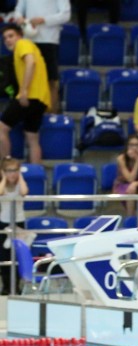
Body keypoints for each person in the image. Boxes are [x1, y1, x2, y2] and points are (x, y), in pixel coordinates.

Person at [0, 24, 50, 164]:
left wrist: (24, 90)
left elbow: (30, 62)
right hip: (41, 100)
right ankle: (37, 174)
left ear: (20, 35)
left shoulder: (23, 43)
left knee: (1, 129)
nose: (8, 40)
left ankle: (7, 168)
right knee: (32, 137)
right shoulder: (27, 47)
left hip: (30, 96)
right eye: (5, 38)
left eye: (11, 36)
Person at [12, 0, 71, 114]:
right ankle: (27, 113)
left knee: (51, 80)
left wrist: (44, 20)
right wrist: (20, 19)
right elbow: (18, 11)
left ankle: (52, 115)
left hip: (49, 39)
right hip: (29, 39)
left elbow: (65, 15)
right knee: (27, 78)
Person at [0, 157, 28, 295]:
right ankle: (6, 286)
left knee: (17, 256)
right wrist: (3, 178)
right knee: (4, 256)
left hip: (19, 222)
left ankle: (16, 286)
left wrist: (20, 176)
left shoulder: (19, 184)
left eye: (15, 170)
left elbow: (24, 192)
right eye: (9, 171)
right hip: (4, 222)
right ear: (4, 172)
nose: (12, 173)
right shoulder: (2, 185)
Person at [113, 135, 138, 217]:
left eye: (137, 145)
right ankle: (130, 219)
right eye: (131, 145)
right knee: (131, 189)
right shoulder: (121, 158)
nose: (134, 148)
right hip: (123, 184)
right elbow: (130, 179)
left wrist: (135, 184)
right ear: (127, 147)